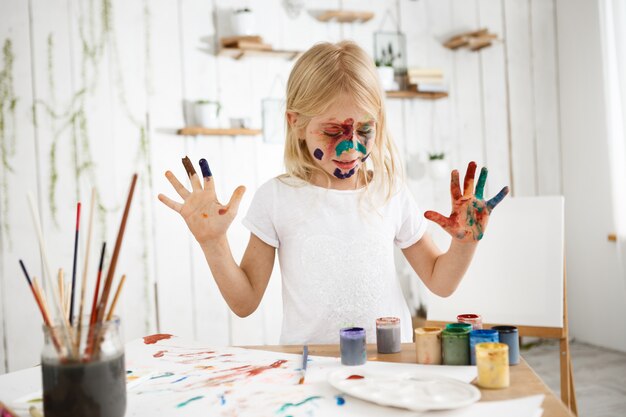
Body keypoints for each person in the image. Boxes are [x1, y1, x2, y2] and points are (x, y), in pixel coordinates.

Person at [158, 41, 509, 344]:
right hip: (310, 368)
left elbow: (440, 281)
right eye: (332, 132)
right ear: (295, 123)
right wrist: (213, 242)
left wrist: (464, 242)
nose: (350, 148)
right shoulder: (277, 198)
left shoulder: (389, 191)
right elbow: (245, 301)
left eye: (364, 131)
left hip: (387, 361)